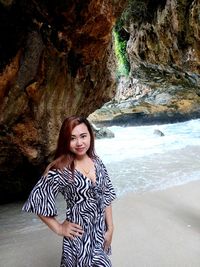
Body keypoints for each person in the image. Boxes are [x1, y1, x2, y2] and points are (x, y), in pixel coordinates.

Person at [22, 115, 116, 267]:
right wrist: (59, 228)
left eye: (83, 136)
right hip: (78, 238)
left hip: (99, 234)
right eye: (72, 138)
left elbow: (106, 195)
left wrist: (110, 228)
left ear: (90, 136)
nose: (79, 143)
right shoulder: (60, 169)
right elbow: (37, 200)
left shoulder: (97, 162)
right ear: (66, 141)